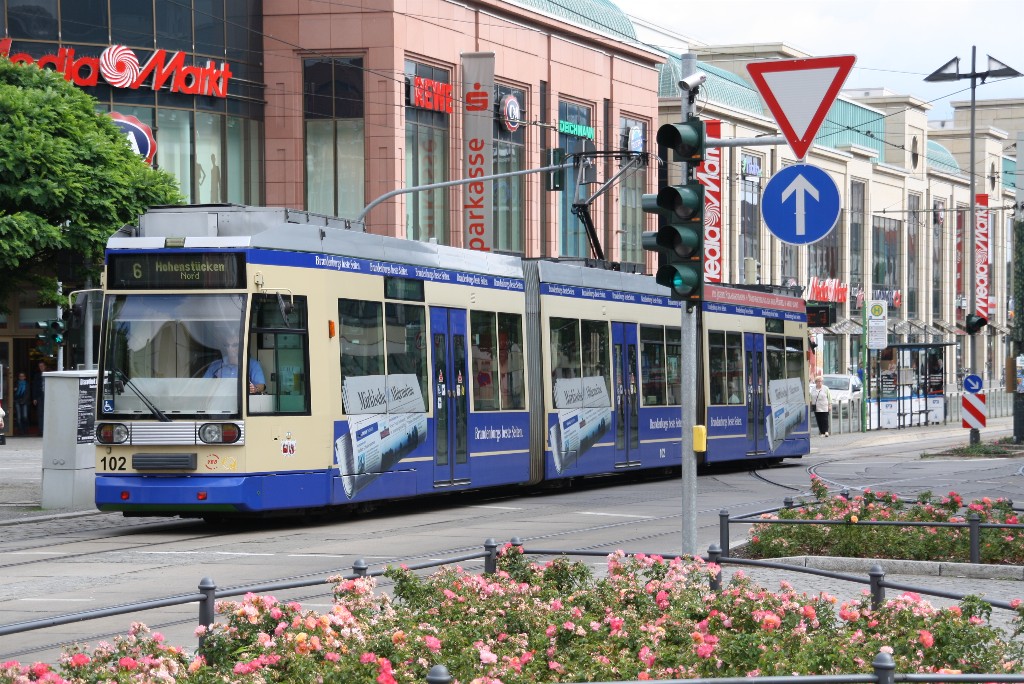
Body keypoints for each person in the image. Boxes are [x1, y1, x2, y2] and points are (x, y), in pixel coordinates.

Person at [32, 360, 47, 436]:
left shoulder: (49, 375)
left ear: (45, 366)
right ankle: (41, 431)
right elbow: (34, 386)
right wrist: (34, 398)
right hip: (40, 396)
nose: (41, 367)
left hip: (48, 396)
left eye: (42, 366)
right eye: (39, 366)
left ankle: (47, 431)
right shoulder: (37, 375)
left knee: (47, 414)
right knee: (40, 414)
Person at [13, 371, 30, 435]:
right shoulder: (16, 383)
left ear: (25, 377)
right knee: (19, 417)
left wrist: (24, 400)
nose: (21, 377)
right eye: (20, 376)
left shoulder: (27, 384)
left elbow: (28, 393)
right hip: (17, 400)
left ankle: (26, 429)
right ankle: (21, 431)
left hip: (25, 401)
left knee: (25, 416)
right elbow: (13, 392)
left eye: (23, 376)